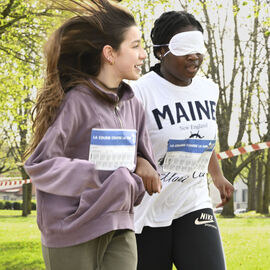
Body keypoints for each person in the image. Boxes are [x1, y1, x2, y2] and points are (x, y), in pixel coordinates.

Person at [24, 1, 161, 269]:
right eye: (135, 46)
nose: (144, 55)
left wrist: (143, 165)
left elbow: (142, 158)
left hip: (120, 223)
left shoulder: (133, 104)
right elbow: (40, 165)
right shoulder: (76, 101)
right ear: (110, 53)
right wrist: (100, 174)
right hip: (72, 229)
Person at [130, 10, 235, 270]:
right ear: (160, 52)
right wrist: (140, 161)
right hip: (148, 210)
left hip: (193, 202)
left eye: (197, 47)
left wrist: (217, 175)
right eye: (184, 48)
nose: (194, 55)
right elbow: (121, 143)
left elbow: (200, 136)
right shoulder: (137, 92)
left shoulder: (208, 90)